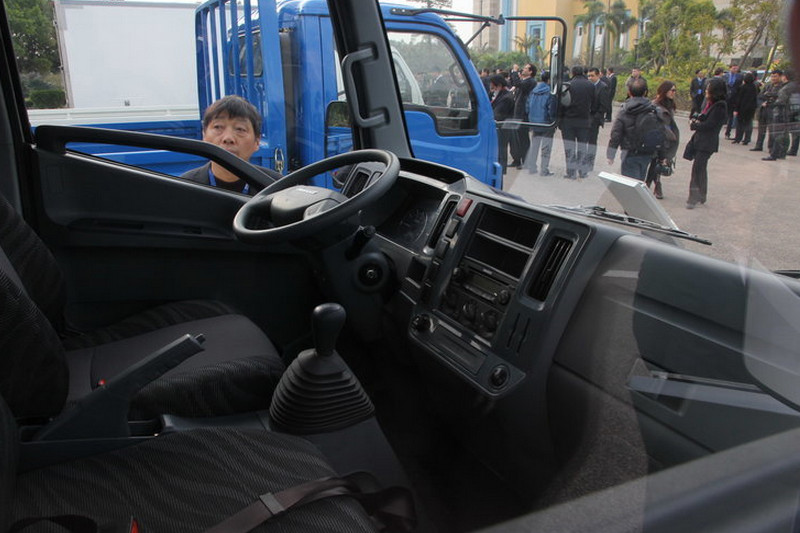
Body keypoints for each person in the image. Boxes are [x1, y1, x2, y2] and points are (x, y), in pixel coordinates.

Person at [181, 95, 279, 194]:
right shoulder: (185, 187)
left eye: (240, 129)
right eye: (218, 127)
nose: (228, 138)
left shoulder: (276, 187)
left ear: (257, 141)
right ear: (204, 136)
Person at [685, 77, 728, 209]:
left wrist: (694, 125)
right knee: (701, 169)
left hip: (707, 143)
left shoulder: (720, 106)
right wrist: (696, 118)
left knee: (697, 170)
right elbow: (704, 116)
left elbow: (710, 125)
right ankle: (702, 194)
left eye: (708, 88)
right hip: (701, 140)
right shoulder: (711, 103)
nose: (706, 90)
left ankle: (693, 198)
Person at [606, 78, 655, 181]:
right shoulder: (653, 110)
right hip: (647, 152)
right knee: (640, 180)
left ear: (629, 92)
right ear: (645, 92)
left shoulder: (624, 111)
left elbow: (616, 134)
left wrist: (611, 154)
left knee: (629, 183)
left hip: (629, 152)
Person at [644, 81, 679, 199]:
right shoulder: (655, 104)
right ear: (665, 91)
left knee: (659, 163)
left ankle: (655, 185)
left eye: (675, 90)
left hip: (666, 140)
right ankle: (651, 185)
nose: (674, 93)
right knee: (654, 162)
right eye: (672, 90)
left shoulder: (670, 105)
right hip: (657, 138)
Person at [559, 66, 594, 179]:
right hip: (584, 120)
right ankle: (582, 171)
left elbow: (562, 103)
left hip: (568, 121)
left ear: (572, 73)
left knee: (569, 147)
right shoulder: (590, 85)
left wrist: (560, 119)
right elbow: (594, 102)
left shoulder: (567, 85)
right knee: (582, 146)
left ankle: (571, 172)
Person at [763, 69, 799, 161]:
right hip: (790, 112)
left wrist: (771, 104)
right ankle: (782, 153)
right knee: (784, 134)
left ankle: (774, 154)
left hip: (781, 113)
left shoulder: (786, 87)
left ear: (785, 77)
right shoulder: (793, 86)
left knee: (778, 134)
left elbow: (781, 101)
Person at [526, 71, 557, 176]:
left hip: (534, 122)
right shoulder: (550, 92)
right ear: (549, 80)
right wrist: (553, 121)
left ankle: (532, 167)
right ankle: (544, 169)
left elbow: (527, 106)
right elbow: (551, 109)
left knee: (534, 146)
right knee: (546, 147)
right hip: (546, 123)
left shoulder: (534, 91)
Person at [510, 63, 538, 168]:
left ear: (531, 71)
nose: (523, 69)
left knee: (523, 139)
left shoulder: (530, 82)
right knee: (517, 138)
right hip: (517, 113)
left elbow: (517, 83)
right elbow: (515, 83)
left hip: (523, 114)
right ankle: (517, 160)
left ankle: (526, 161)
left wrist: (514, 71)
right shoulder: (524, 81)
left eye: (526, 68)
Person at [751, 70, 785, 152]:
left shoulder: (783, 87)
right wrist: (762, 103)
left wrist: (770, 98)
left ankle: (771, 147)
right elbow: (760, 96)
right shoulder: (768, 86)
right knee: (761, 129)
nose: (773, 78)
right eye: (772, 76)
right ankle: (759, 145)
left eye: (775, 76)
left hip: (774, 111)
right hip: (764, 110)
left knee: (772, 130)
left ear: (780, 76)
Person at [586, 67, 610, 174]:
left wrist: (595, 118)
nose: (590, 78)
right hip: (586, 117)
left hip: (594, 119)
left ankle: (589, 163)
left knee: (592, 142)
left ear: (598, 75)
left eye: (592, 76)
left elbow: (604, 105)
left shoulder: (603, 87)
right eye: (589, 76)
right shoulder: (588, 85)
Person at [490, 74, 515, 174]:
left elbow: (497, 114)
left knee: (501, 148)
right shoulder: (499, 94)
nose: (492, 88)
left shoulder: (506, 97)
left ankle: (501, 169)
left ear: (499, 85)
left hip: (503, 126)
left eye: (493, 86)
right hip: (500, 126)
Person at [732, 72, 759, 145]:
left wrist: (736, 109)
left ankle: (738, 138)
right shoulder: (754, 87)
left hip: (742, 107)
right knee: (748, 123)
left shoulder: (743, 87)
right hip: (751, 108)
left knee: (740, 124)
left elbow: (739, 99)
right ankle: (747, 139)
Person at [724, 64, 743, 138]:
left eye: (736, 69)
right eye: (734, 68)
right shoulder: (725, 76)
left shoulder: (740, 76)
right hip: (725, 97)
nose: (735, 70)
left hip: (734, 98)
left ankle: (727, 132)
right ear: (730, 68)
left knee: (731, 116)